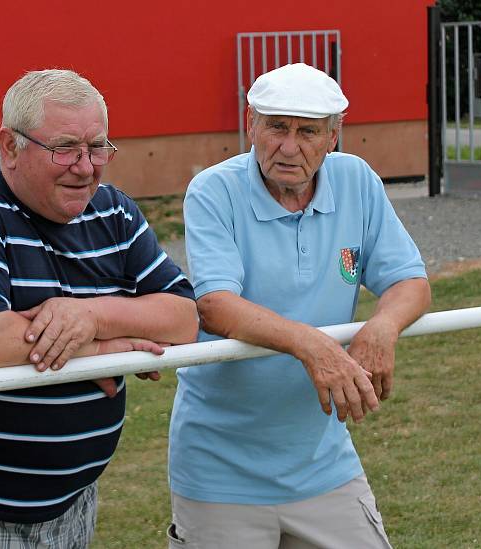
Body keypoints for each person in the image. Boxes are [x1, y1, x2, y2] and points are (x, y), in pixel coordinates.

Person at [0, 69, 198, 548]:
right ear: (10, 147)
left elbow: (183, 317)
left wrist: (90, 317)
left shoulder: (112, 211)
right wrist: (103, 348)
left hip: (72, 499)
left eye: (97, 148)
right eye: (65, 148)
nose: (85, 167)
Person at [167, 63, 431, 548]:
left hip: (323, 461)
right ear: (251, 123)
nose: (289, 147)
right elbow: (217, 306)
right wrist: (312, 345)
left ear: (334, 135)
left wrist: (383, 326)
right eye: (276, 127)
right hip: (219, 469)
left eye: (308, 131)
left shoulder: (357, 179)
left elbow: (410, 281)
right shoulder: (213, 190)